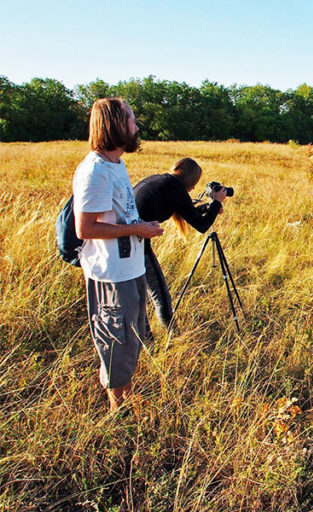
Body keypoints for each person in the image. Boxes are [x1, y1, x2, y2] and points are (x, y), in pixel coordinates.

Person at [73, 98, 164, 410]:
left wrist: (141, 226)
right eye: (131, 120)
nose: (136, 126)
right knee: (117, 346)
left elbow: (118, 216)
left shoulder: (116, 165)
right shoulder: (95, 171)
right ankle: (118, 413)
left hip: (130, 269)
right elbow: (85, 228)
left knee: (130, 343)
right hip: (111, 275)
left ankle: (126, 401)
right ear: (114, 125)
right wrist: (137, 229)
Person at [133, 158, 227, 334]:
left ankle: (145, 340)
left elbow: (187, 212)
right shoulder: (175, 189)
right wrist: (216, 202)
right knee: (160, 294)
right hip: (135, 243)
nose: (194, 188)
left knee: (137, 296)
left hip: (125, 240)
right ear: (190, 179)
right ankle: (173, 336)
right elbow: (202, 226)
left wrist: (209, 207)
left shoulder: (162, 181)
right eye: (194, 183)